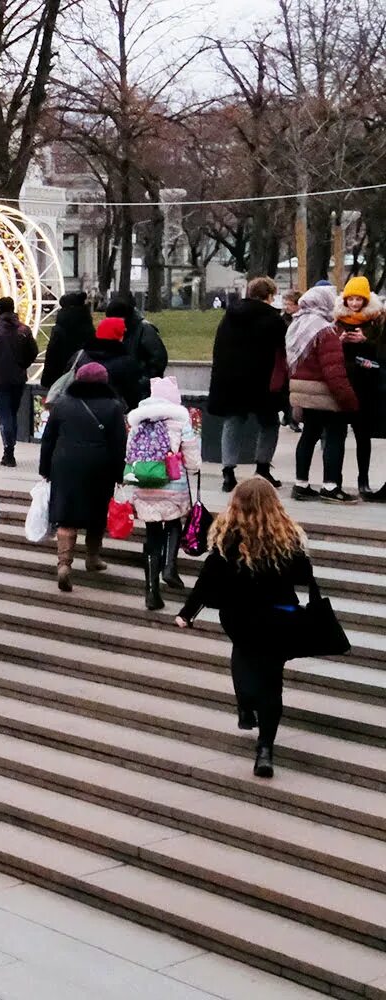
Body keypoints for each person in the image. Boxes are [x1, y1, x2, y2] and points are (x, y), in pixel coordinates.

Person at [176, 478, 323, 778]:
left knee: (243, 657)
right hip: (279, 618)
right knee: (272, 681)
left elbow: (208, 580)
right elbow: (303, 575)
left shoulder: (227, 537)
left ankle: (245, 705)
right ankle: (265, 749)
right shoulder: (288, 537)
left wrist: (187, 613)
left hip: (239, 618)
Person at [41, 361, 128, 593]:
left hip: (64, 463)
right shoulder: (113, 406)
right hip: (99, 465)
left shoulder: (62, 404)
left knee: (66, 515)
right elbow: (120, 443)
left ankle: (63, 565)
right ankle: (92, 557)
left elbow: (48, 438)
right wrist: (120, 473)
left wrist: (45, 468)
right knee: (97, 512)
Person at [208, 277, 288, 492]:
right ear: (270, 295)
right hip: (262, 381)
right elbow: (282, 351)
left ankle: (228, 472)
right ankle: (262, 468)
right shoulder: (273, 319)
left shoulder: (230, 316)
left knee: (233, 422)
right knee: (269, 423)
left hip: (231, 380)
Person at [128, 377, 201, 609]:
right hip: (172, 486)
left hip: (144, 485)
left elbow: (129, 453)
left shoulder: (139, 421)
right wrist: (193, 468)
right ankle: (169, 566)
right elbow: (192, 460)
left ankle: (151, 591)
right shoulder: (180, 421)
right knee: (172, 524)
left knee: (151, 535)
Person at [288, 285, 360, 504]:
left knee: (308, 434)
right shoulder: (326, 330)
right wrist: (349, 399)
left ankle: (301, 484)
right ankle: (330, 486)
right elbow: (333, 370)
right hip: (323, 393)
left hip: (302, 391)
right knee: (335, 436)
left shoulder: (298, 324)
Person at [333, 277, 384, 499]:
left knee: (363, 435)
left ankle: (363, 480)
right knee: (337, 434)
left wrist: (366, 341)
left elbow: (381, 355)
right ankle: (335, 480)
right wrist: (340, 341)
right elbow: (328, 354)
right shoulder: (338, 321)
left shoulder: (375, 322)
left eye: (358, 299)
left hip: (366, 386)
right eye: (350, 299)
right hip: (343, 384)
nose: (354, 304)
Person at [0, 295, 37, 467]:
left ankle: (8, 451)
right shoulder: (24, 330)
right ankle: (10, 447)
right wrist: (22, 365)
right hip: (18, 378)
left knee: (4, 415)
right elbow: (33, 351)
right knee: (12, 413)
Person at [78, 317, 144, 409]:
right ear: (119, 336)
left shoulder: (80, 355)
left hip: (80, 408)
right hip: (112, 411)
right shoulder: (126, 362)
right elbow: (133, 394)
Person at [108, 291, 168, 391]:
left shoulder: (145, 330)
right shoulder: (125, 330)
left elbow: (158, 360)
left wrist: (142, 381)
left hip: (141, 387)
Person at [39, 291, 95, 390]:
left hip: (61, 378)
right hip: (84, 376)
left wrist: (46, 381)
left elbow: (52, 355)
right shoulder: (89, 327)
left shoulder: (60, 328)